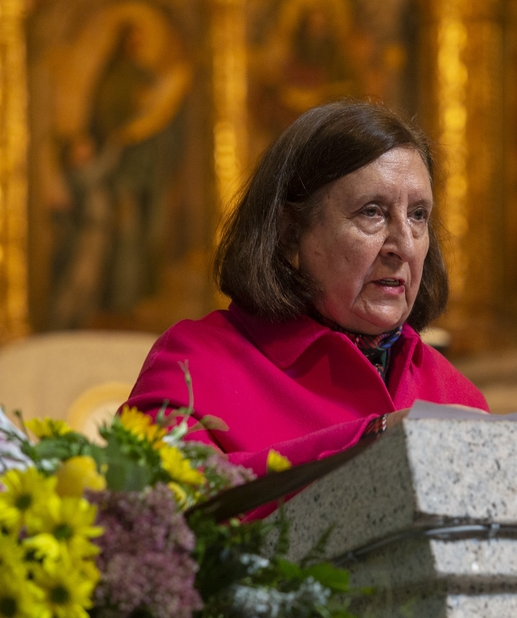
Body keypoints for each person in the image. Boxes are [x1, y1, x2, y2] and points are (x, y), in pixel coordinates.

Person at [123, 100, 488, 476]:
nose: (405, 246)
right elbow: (161, 513)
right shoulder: (195, 363)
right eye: (372, 212)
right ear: (289, 233)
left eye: (418, 215)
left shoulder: (454, 395)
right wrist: (373, 441)